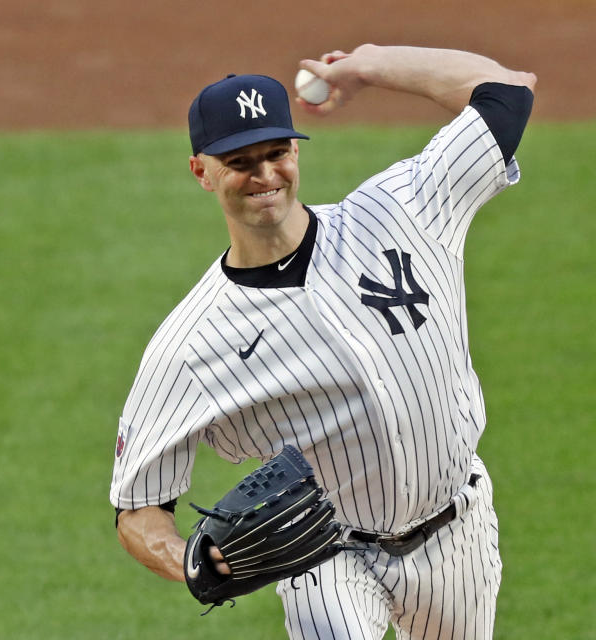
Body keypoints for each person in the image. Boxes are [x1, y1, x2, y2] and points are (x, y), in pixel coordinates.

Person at [110, 44, 536, 639]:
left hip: (456, 529)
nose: (264, 175)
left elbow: (506, 90)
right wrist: (186, 562)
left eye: (276, 152)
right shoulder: (191, 344)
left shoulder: (402, 211)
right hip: (322, 555)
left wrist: (366, 65)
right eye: (239, 161)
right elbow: (138, 505)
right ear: (201, 172)